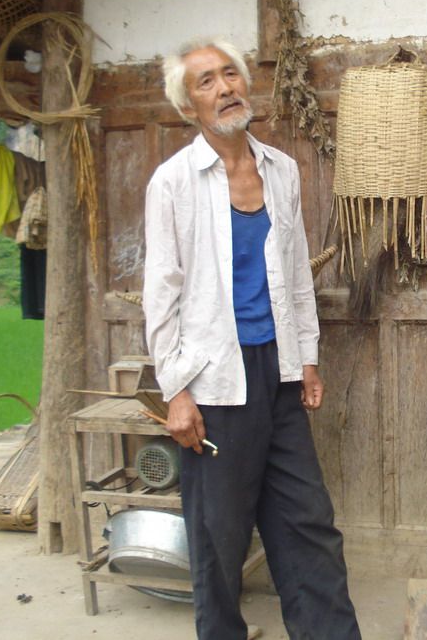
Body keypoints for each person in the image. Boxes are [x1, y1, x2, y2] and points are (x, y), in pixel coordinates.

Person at [143, 38, 361, 640]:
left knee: (309, 524)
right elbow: (161, 291)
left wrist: (307, 358)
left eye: (230, 74)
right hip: (214, 383)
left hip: (279, 373)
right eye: (206, 82)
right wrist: (175, 392)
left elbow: (295, 274)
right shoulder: (173, 182)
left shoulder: (281, 170)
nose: (225, 88)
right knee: (219, 537)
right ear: (187, 107)